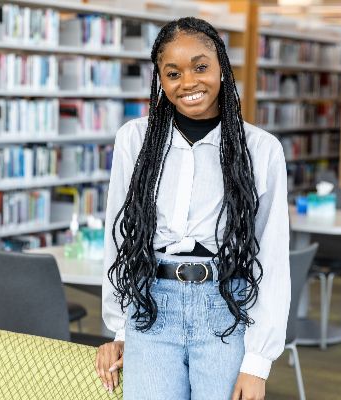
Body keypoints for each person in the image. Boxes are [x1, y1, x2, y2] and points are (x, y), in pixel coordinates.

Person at [95, 17, 290, 400]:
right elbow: (119, 237)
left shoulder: (261, 149)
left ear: (221, 67)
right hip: (150, 307)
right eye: (173, 73)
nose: (188, 82)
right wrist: (120, 329)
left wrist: (257, 363)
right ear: (160, 80)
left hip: (226, 306)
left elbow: (272, 255)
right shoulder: (134, 140)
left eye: (200, 67)